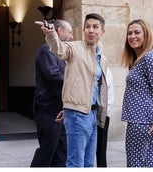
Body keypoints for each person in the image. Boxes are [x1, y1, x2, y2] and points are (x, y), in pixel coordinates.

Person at [35, 13, 109, 167]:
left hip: (93, 115)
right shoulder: (74, 47)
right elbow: (58, 48)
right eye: (87, 26)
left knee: (88, 164)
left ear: (102, 32)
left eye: (95, 27)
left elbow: (95, 87)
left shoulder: (102, 57)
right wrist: (51, 35)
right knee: (75, 163)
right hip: (77, 115)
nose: (91, 30)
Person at [120, 19, 153, 167]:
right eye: (129, 33)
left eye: (137, 32)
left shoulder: (149, 57)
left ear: (146, 34)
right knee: (149, 164)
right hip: (141, 121)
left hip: (142, 122)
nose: (132, 36)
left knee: (136, 164)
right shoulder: (141, 59)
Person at [30, 20, 73, 167]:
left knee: (62, 152)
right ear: (60, 31)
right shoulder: (46, 49)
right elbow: (53, 75)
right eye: (70, 32)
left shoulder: (63, 54)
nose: (71, 37)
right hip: (48, 110)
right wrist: (75, 84)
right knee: (47, 150)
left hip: (61, 110)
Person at [96, 68, 114, 167]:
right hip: (92, 112)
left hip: (103, 112)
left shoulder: (105, 68)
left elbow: (107, 93)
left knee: (101, 150)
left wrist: (106, 112)